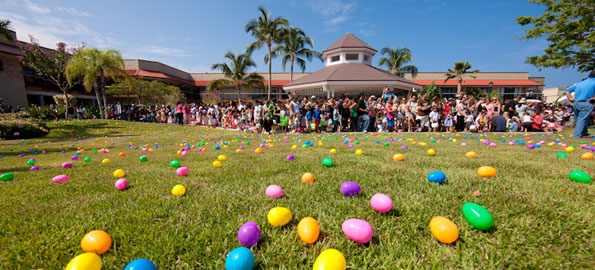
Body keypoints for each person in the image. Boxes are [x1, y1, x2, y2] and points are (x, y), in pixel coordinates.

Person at [565, 71, 595, 138]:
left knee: (580, 119)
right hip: (587, 103)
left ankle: (584, 133)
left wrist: (570, 98)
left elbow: (567, 90)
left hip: (576, 103)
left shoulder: (580, 83)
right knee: (582, 120)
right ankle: (576, 135)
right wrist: (592, 98)